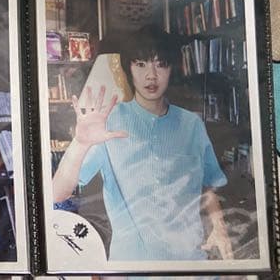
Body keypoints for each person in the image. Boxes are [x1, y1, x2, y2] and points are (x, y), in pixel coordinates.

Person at [51, 28, 233, 263]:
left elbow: (207, 184)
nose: (151, 75)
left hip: (189, 264)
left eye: (161, 65)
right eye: (141, 64)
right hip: (132, 267)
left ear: (172, 69)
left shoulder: (192, 124)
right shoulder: (109, 124)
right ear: (128, 69)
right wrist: (80, 143)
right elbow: (58, 193)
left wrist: (219, 227)